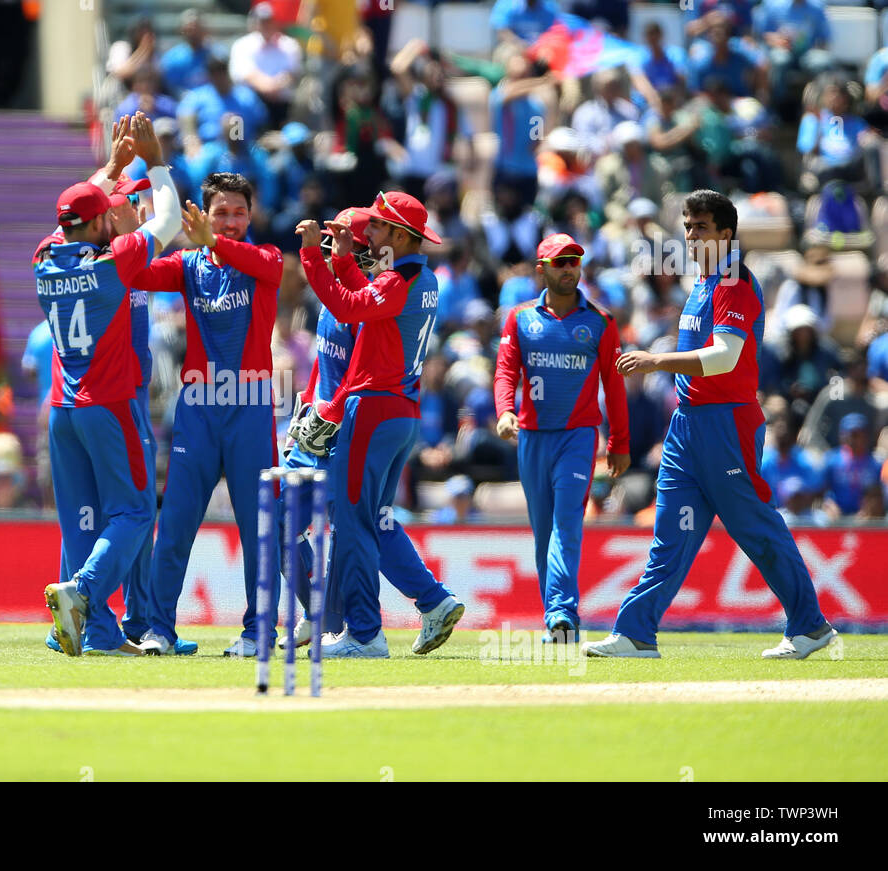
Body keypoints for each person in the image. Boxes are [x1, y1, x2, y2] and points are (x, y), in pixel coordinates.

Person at [586, 190, 838, 660]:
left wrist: (657, 360)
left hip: (726, 425)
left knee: (753, 525)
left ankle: (810, 625)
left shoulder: (733, 281)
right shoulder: (703, 282)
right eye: (686, 226)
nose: (690, 235)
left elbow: (725, 358)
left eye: (700, 227)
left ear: (726, 234)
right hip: (687, 426)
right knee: (670, 535)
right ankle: (636, 632)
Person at [284, 206, 464, 654]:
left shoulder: (387, 287)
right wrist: (307, 405)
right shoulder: (410, 282)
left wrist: (311, 258)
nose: (332, 250)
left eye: (380, 227)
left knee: (353, 524)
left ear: (394, 240)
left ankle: (360, 631)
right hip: (385, 411)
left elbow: (351, 315)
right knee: (372, 521)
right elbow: (329, 360)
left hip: (363, 413)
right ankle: (427, 602)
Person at [37, 113, 182, 658]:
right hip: (110, 403)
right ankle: (84, 594)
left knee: (80, 522)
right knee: (135, 512)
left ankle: (93, 633)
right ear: (101, 222)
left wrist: (113, 167)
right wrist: (157, 161)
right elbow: (166, 219)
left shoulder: (43, 259)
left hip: (62, 409)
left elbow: (71, 216)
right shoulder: (114, 262)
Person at [131, 172, 282, 657]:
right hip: (197, 408)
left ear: (251, 215)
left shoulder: (267, 260)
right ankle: (159, 630)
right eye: (221, 212)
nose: (232, 221)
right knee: (174, 524)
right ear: (204, 213)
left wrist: (212, 240)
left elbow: (267, 265)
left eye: (240, 212)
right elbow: (136, 275)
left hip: (252, 408)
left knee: (258, 529)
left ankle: (259, 633)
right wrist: (138, 235)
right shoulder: (189, 263)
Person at [493, 233, 630, 642]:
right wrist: (504, 411)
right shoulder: (519, 318)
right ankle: (554, 614)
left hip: (578, 437)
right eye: (560, 262)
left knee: (566, 522)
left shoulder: (600, 321)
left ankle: (561, 614)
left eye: (574, 261)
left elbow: (615, 385)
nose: (569, 268)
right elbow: (505, 372)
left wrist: (620, 442)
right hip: (533, 437)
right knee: (543, 532)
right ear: (542, 270)